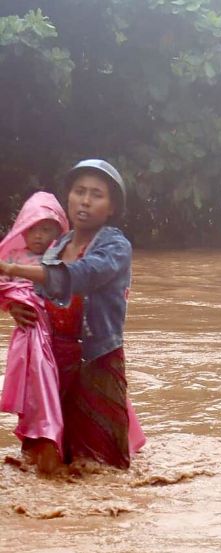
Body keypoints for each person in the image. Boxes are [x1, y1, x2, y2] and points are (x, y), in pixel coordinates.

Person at [1, 160, 145, 469]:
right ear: (68, 198)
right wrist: (16, 308)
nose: (86, 201)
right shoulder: (58, 245)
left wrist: (12, 268)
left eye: (97, 194)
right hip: (55, 363)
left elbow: (81, 275)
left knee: (103, 465)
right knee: (53, 461)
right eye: (80, 192)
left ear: (111, 207)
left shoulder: (116, 246)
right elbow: (36, 295)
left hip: (97, 361)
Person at [0, 192, 69, 474]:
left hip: (61, 337)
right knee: (35, 386)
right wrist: (11, 303)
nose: (38, 235)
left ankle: (55, 447)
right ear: (22, 229)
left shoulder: (63, 259)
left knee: (61, 390)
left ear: (58, 232)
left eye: (46, 229)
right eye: (33, 228)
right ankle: (37, 447)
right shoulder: (13, 257)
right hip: (29, 336)